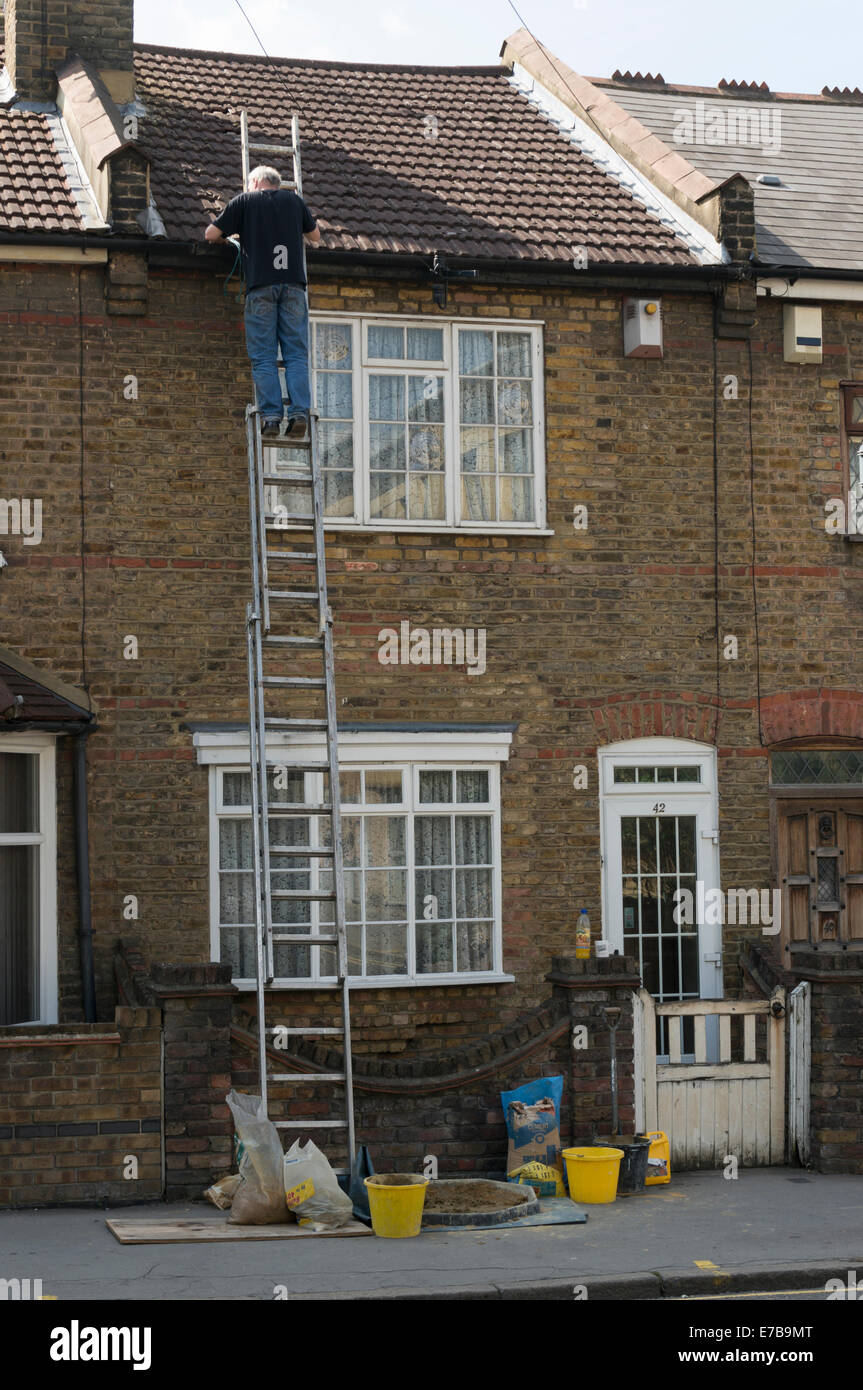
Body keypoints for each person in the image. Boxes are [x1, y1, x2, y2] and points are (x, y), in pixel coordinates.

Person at [205, 166, 322, 439]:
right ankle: (298, 413)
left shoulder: (245, 201)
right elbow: (315, 236)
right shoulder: (295, 201)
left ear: (255, 182)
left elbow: (210, 234)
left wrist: (233, 236)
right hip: (293, 288)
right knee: (295, 355)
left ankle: (271, 418)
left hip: (261, 288)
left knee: (264, 357)